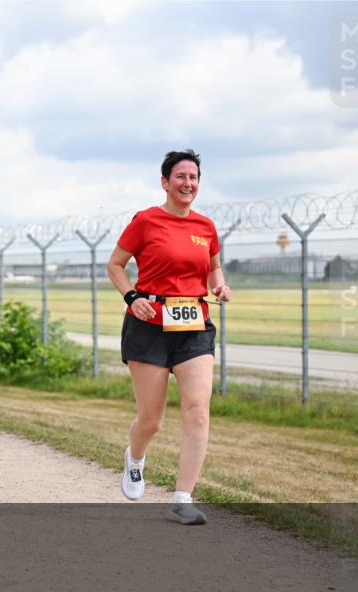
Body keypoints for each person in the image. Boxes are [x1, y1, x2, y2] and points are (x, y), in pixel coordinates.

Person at [106, 149, 232, 526]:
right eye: (180, 177)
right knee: (152, 418)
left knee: (197, 410)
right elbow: (115, 265)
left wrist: (220, 285)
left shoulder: (206, 227)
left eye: (193, 177)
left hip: (194, 324)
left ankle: (182, 498)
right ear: (165, 182)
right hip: (149, 326)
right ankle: (135, 458)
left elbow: (213, 268)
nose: (187, 184)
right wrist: (132, 297)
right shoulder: (146, 220)